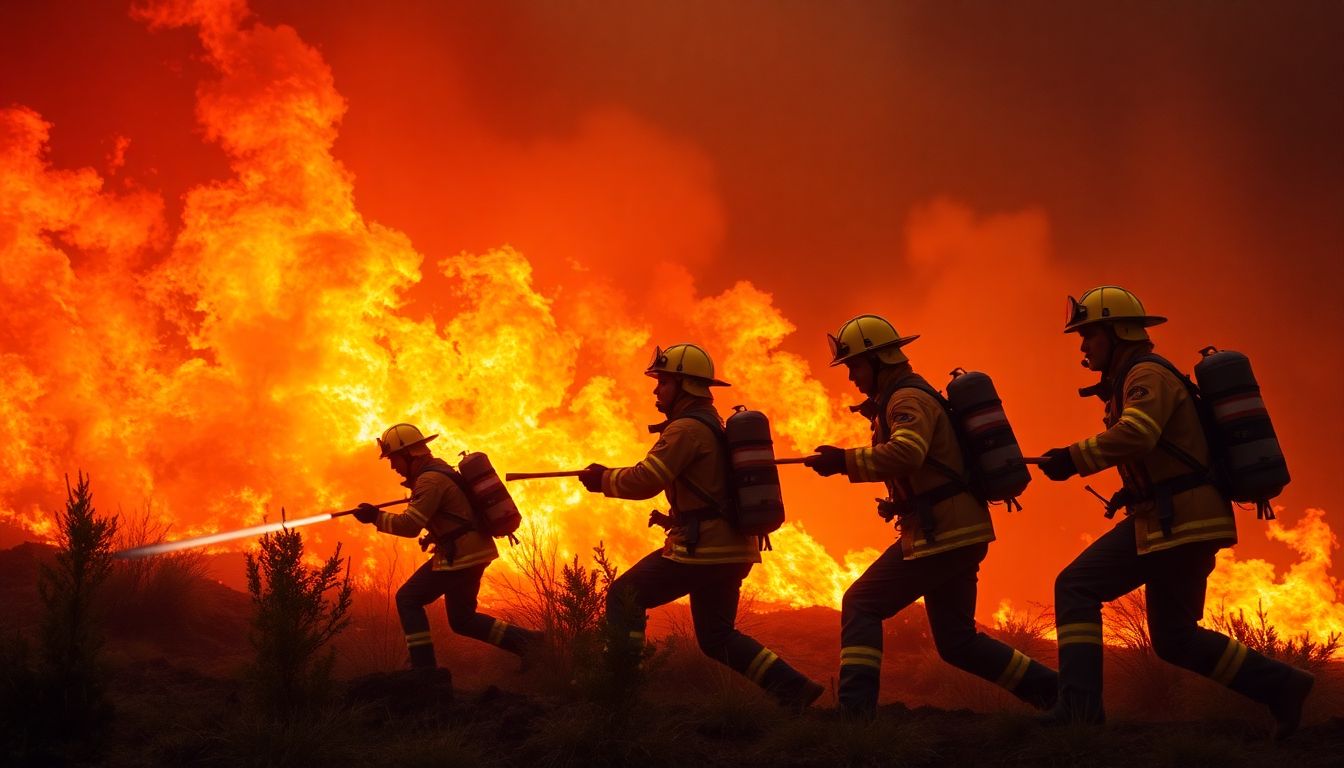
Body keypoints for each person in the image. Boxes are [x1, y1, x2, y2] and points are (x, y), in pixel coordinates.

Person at [1037, 285, 1314, 737]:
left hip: (1179, 523)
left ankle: (1079, 710)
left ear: (1118, 332)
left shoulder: (1145, 375)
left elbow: (1138, 434)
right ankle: (1282, 685)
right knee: (1175, 640)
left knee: (1076, 586)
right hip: (1177, 520)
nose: (1083, 346)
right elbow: (1164, 451)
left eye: (1089, 335)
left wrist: (1074, 458)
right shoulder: (1133, 378)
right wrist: (1135, 490)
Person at [804, 314, 1057, 718]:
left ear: (880, 359)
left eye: (855, 365)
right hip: (955, 531)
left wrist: (845, 461)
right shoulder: (903, 397)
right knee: (958, 643)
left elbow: (908, 452)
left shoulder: (907, 399)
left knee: (861, 604)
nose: (851, 376)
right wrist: (901, 503)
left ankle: (854, 713)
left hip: (943, 535)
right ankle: (1054, 693)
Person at [577, 344, 825, 709]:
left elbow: (647, 480)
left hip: (702, 550)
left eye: (662, 382)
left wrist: (604, 480)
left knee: (625, 595)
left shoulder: (686, 430)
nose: (655, 390)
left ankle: (621, 686)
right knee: (716, 637)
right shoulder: (710, 425)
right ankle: (792, 687)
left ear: (684, 385)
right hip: (732, 549)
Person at [354, 423, 540, 672]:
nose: (392, 466)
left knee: (408, 598)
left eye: (394, 459)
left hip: (461, 556)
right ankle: (529, 643)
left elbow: (410, 526)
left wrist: (375, 517)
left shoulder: (430, 480)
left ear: (410, 454)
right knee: (462, 620)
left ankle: (423, 667)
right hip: (472, 552)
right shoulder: (436, 473)